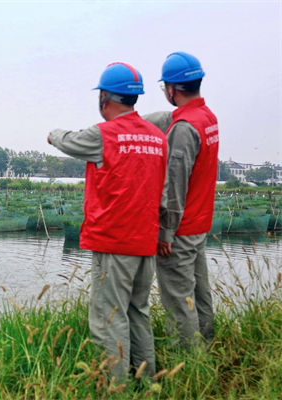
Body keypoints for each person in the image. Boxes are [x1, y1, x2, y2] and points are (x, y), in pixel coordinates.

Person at [48, 62, 167, 380]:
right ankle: (147, 383)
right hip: (147, 242)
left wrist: (52, 134)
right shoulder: (157, 138)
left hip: (114, 242)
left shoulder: (103, 135)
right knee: (137, 313)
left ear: (105, 97)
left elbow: (67, 141)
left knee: (108, 318)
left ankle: (116, 390)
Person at [144, 52, 219, 347]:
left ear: (173, 89)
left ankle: (189, 365)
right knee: (200, 292)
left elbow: (174, 187)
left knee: (178, 302)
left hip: (181, 230)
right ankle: (209, 346)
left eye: (165, 88)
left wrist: (165, 232)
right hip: (200, 223)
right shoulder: (207, 117)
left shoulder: (184, 129)